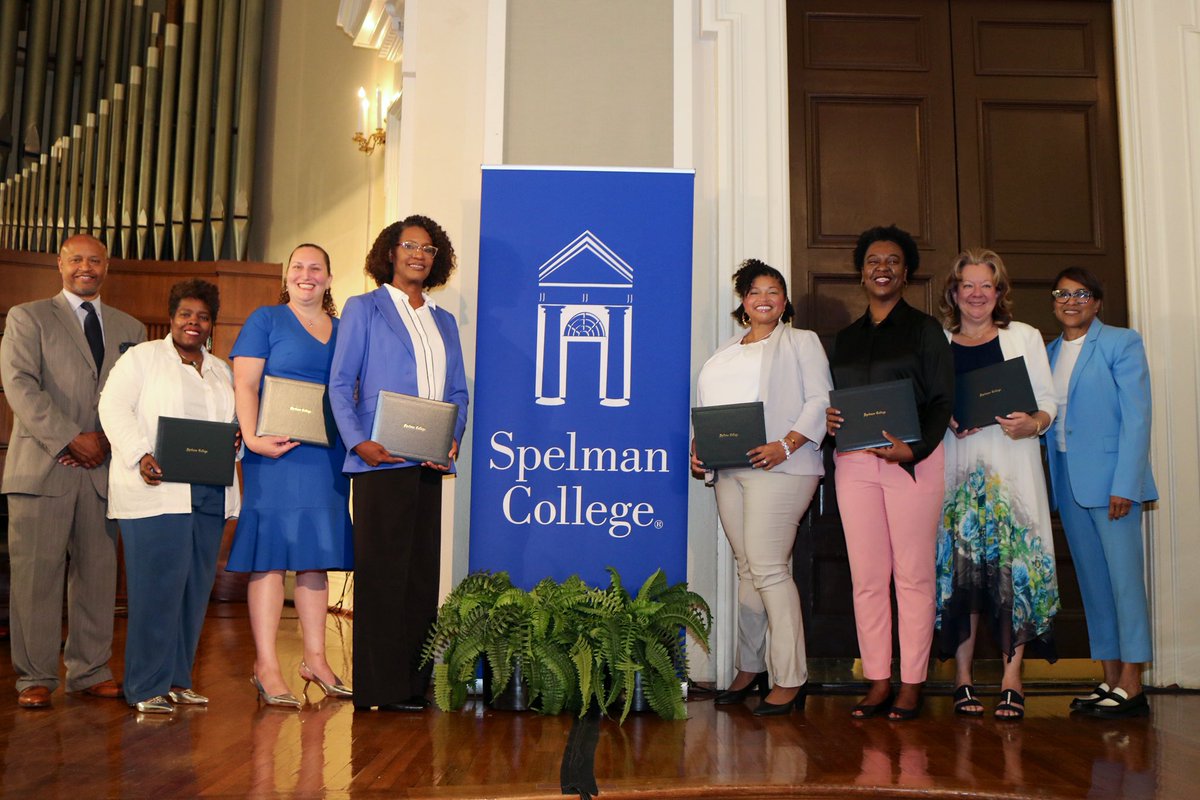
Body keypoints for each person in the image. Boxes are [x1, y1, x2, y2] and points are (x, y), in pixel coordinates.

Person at [329, 215, 468, 712]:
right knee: (382, 576)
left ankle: (413, 685)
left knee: (418, 578)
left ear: (437, 259)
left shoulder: (444, 321)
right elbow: (341, 385)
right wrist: (358, 442)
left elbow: (457, 393)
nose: (418, 254)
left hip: (428, 464)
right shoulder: (364, 309)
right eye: (409, 245)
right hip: (379, 460)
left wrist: (451, 440)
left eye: (428, 249)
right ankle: (379, 688)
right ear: (391, 252)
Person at [1, 234, 146, 709]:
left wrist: (105, 441)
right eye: (77, 259)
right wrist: (70, 438)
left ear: (108, 266)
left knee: (97, 577)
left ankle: (90, 670)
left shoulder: (132, 328)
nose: (87, 267)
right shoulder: (28, 317)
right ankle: (35, 676)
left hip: (104, 469)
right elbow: (20, 386)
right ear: (60, 263)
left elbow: (137, 398)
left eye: (96, 260)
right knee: (35, 578)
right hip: (43, 468)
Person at [825, 225, 954, 721]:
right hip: (854, 464)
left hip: (911, 464)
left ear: (907, 272)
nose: (883, 267)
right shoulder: (846, 340)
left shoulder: (925, 331)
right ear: (862, 271)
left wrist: (913, 450)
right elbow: (833, 402)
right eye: (874, 260)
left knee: (914, 577)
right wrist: (832, 423)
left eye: (893, 261)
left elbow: (943, 401)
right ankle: (878, 680)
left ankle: (912, 683)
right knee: (868, 578)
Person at [692, 259, 831, 716]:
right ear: (744, 303)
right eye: (755, 291)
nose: (765, 298)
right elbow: (712, 408)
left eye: (774, 291)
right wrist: (701, 445)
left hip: (784, 467)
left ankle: (791, 678)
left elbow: (819, 400)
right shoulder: (726, 351)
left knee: (769, 568)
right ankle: (750, 668)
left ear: (785, 302)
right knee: (748, 569)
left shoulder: (801, 343)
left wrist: (787, 445)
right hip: (730, 470)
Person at [98, 279, 241, 714]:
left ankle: (177, 679)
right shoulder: (141, 359)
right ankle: (144, 685)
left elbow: (230, 423)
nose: (193, 323)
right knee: (155, 590)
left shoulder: (220, 370)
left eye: (202, 316)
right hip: (156, 491)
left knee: (194, 590)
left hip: (208, 492)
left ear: (211, 324)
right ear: (172, 317)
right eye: (185, 314)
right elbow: (112, 407)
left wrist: (233, 440)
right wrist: (140, 453)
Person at [933, 249, 1060, 721]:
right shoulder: (939, 341)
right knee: (963, 577)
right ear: (954, 291)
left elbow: (1047, 400)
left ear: (999, 292)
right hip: (958, 474)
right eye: (968, 285)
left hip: (1013, 474)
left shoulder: (1023, 337)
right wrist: (943, 417)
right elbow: (931, 405)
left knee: (1015, 573)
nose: (977, 294)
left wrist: (1036, 423)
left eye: (987, 285)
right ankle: (962, 679)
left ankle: (1012, 679)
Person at [228, 244, 355, 708]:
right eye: (297, 267)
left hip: (325, 458)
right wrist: (253, 437)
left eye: (315, 268)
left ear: (328, 277)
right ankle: (266, 664)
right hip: (273, 453)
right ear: (287, 277)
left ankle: (316, 660)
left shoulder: (345, 329)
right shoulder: (265, 320)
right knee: (270, 555)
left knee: (314, 555)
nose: (306, 275)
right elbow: (245, 383)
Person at [1045, 267, 1156, 719]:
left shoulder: (1121, 343)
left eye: (1081, 294)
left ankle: (1133, 685)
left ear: (1097, 302)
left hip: (1113, 486)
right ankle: (1109, 679)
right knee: (1093, 585)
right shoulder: (1048, 352)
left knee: (1124, 584)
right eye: (1062, 294)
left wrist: (1125, 485)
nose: (1070, 301)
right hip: (1069, 482)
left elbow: (1137, 418)